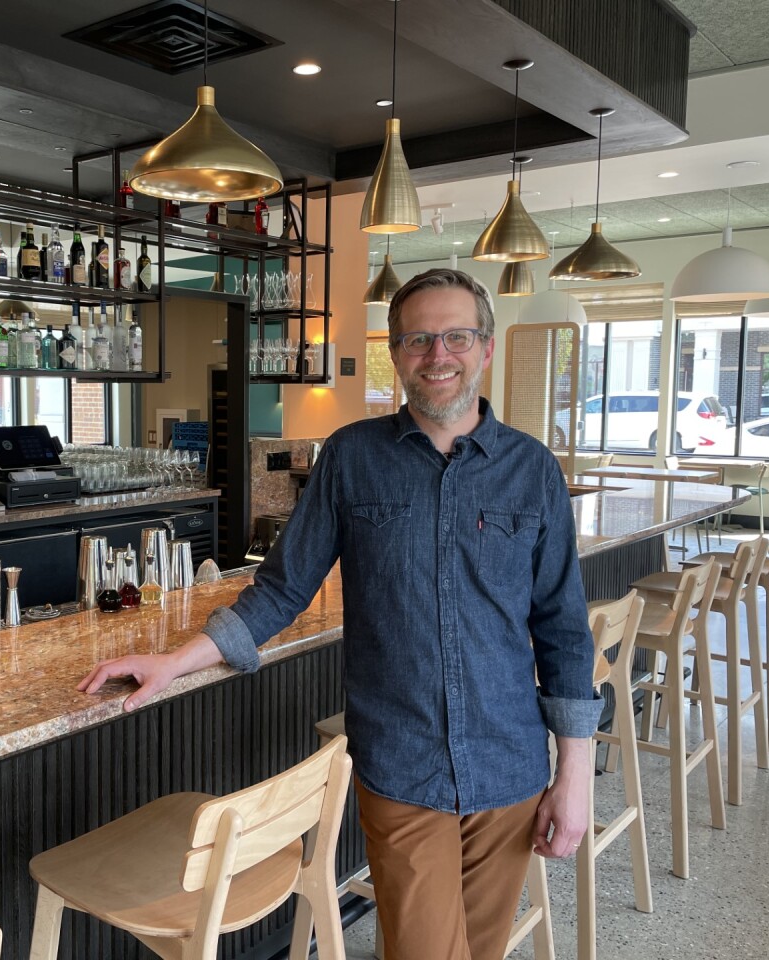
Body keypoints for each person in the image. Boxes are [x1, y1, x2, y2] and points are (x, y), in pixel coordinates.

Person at [81, 268, 599, 960]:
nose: (437, 356)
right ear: (395, 350)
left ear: (486, 348)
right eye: (417, 339)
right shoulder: (353, 458)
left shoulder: (532, 470)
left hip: (509, 767)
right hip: (404, 766)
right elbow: (282, 589)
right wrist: (177, 660)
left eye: (455, 337)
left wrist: (574, 777)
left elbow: (563, 630)